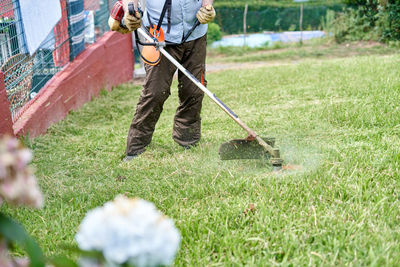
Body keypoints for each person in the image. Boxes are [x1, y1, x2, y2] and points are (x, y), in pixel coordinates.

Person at [109, 0, 216, 161]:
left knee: (194, 89)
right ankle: (136, 148)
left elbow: (207, 5)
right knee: (155, 92)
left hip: (195, 33)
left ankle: (187, 140)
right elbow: (124, 13)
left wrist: (207, 7)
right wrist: (129, 12)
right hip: (160, 37)